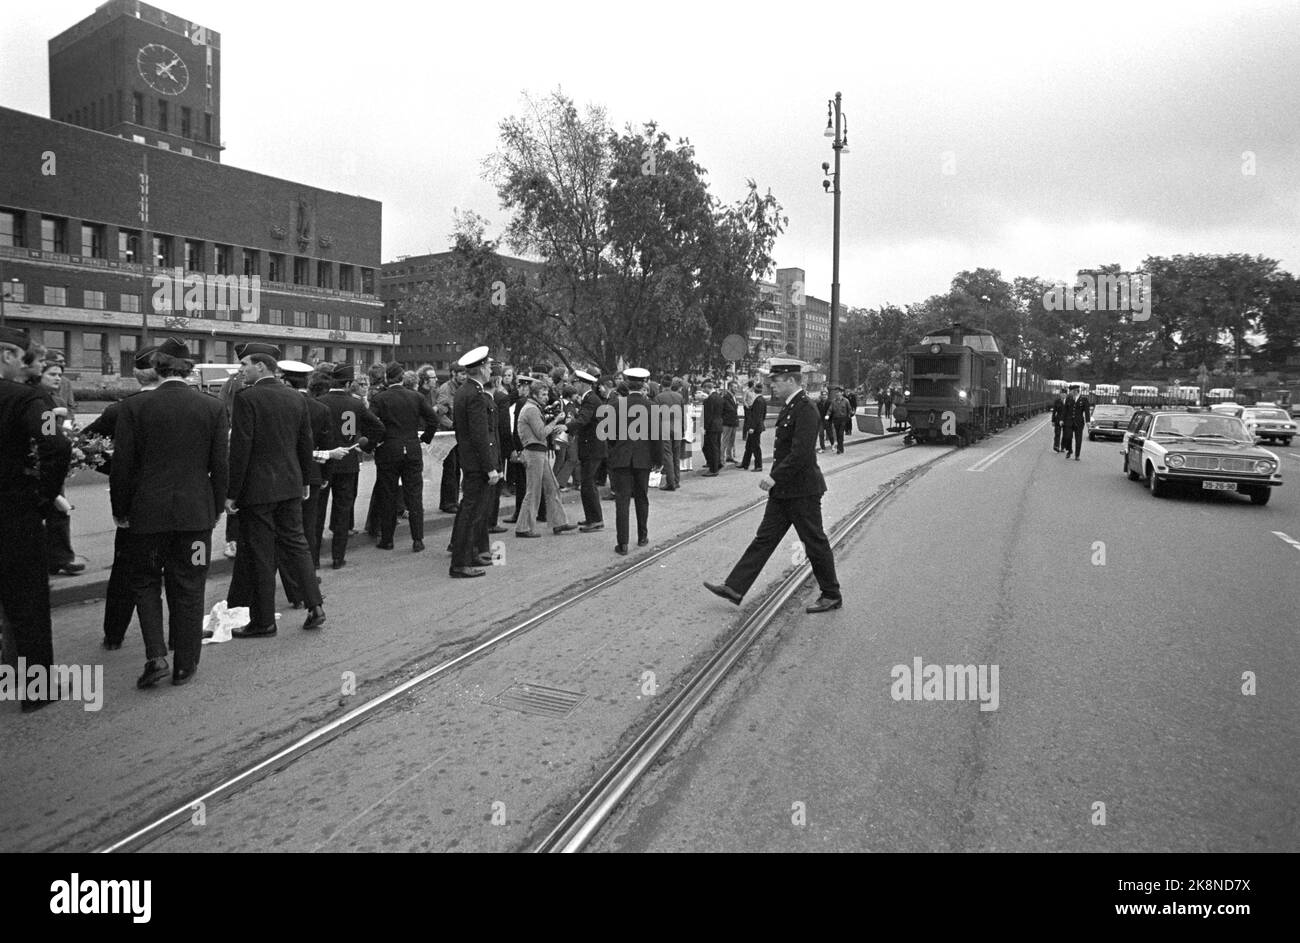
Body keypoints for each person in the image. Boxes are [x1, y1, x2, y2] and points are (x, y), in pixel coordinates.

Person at [110, 338, 228, 688]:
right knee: (190, 583)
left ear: (156, 369)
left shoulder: (134, 407)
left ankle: (156, 656)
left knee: (146, 581)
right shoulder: (212, 408)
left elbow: (122, 466)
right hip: (196, 516)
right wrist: (216, 508)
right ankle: (185, 663)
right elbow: (220, 466)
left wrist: (121, 510)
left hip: (146, 515)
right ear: (189, 370)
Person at [703, 359, 842, 614]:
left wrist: (774, 477)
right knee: (764, 539)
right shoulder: (791, 408)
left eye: (776, 382)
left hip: (803, 490)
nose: (772, 386)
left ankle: (831, 594)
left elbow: (801, 454)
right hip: (785, 492)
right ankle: (734, 587)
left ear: (791, 380)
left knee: (814, 542)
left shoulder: (806, 409)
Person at [224, 344, 325, 637]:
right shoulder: (295, 397)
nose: (241, 370)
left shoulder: (247, 398)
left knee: (261, 553)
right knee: (297, 544)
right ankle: (315, 605)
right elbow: (304, 443)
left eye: (245, 364)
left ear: (262, 367)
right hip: (291, 484)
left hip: (259, 489)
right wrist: (305, 480)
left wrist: (232, 492)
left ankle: (264, 620)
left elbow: (241, 449)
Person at [0, 327, 72, 711]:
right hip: (13, 511)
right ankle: (35, 690)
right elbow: (55, 444)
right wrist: (45, 495)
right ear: (9, 355)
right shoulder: (28, 399)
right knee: (26, 602)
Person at [83, 345, 160, 648]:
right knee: (183, 577)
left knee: (127, 572)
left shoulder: (121, 409)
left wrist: (113, 470)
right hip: (184, 507)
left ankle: (114, 634)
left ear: (137, 374)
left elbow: (84, 446)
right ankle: (181, 638)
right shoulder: (199, 404)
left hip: (136, 505)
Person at [277, 360, 340, 607]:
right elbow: (327, 445)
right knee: (309, 529)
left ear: (285, 379)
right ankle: (309, 574)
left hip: (283, 477)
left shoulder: (282, 404)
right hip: (312, 475)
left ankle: (295, 584)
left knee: (285, 534)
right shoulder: (320, 409)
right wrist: (326, 476)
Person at [315, 363, 384, 569]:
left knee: (318, 512)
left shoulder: (319, 402)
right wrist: (367, 446)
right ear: (348, 383)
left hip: (324, 460)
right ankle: (338, 556)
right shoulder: (356, 405)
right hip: (348, 462)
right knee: (343, 509)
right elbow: (378, 427)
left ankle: (314, 558)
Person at [370, 360, 438, 552]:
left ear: (386, 378)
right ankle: (418, 539)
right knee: (414, 495)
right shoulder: (416, 397)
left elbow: (370, 421)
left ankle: (388, 539)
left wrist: (376, 442)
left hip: (389, 450)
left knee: (388, 495)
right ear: (402, 378)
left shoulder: (380, 398)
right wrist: (425, 437)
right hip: (412, 448)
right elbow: (433, 419)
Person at [449, 346, 502, 578]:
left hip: (469, 461)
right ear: (481, 369)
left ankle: (468, 555)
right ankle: (460, 563)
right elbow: (480, 436)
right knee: (471, 513)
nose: (491, 369)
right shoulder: (475, 395)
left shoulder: (464, 391)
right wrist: (490, 467)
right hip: (477, 464)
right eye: (489, 366)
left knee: (470, 511)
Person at [33, 358, 84, 575]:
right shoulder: (34, 398)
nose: (57, 378)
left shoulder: (56, 399)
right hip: (36, 463)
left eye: (59, 374)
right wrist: (54, 416)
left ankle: (61, 558)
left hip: (53, 463)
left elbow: (62, 429)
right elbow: (43, 433)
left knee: (59, 511)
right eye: (52, 374)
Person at [514, 382, 577, 538]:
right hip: (534, 452)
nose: (546, 397)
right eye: (543, 394)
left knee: (552, 486)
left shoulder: (533, 408)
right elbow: (541, 433)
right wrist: (556, 421)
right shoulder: (531, 410)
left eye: (546, 394)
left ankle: (559, 522)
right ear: (534, 395)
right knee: (533, 491)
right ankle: (523, 527)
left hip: (538, 452)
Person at [608, 367, 654, 554]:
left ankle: (623, 543)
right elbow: (657, 437)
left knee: (622, 500)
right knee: (642, 498)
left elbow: (610, 435)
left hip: (622, 459)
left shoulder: (616, 405)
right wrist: (657, 459)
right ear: (643, 384)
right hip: (643, 459)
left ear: (626, 384)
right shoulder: (651, 406)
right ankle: (642, 536)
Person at [566, 369, 607, 531]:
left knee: (588, 484)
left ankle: (596, 520)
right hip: (591, 448)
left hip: (593, 448)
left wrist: (566, 426)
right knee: (588, 484)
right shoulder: (589, 399)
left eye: (575, 383)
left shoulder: (590, 400)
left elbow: (583, 419)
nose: (574, 386)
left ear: (582, 384)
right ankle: (592, 517)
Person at [436, 366, 465, 512]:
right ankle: (448, 502)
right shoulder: (446, 389)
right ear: (453, 373)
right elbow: (440, 413)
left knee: (456, 468)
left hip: (458, 434)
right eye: (461, 373)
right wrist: (453, 425)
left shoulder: (461, 388)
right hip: (449, 434)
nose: (464, 376)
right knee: (450, 468)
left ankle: (453, 500)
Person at [654, 377, 684, 490]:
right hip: (677, 427)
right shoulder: (679, 396)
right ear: (671, 384)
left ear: (661, 385)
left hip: (665, 427)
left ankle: (670, 483)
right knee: (676, 455)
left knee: (668, 455)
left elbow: (656, 416)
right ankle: (676, 480)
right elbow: (682, 414)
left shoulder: (658, 397)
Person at [740, 384, 767, 471]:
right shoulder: (762, 400)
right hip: (757, 426)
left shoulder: (758, 401)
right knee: (749, 446)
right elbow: (763, 415)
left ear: (754, 391)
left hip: (755, 428)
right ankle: (745, 463)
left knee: (755, 447)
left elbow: (756, 416)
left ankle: (758, 466)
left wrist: (752, 427)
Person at [1060, 384, 1092, 460]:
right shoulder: (1069, 399)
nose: (1070, 392)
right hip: (1069, 422)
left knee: (1078, 439)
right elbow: (1065, 410)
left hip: (1079, 422)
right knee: (1067, 437)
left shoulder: (1084, 399)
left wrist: (1088, 421)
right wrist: (1062, 419)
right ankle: (1069, 450)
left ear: (1075, 391)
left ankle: (1077, 455)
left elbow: (1087, 411)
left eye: (1071, 391)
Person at [701, 379, 723, 475]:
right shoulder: (719, 397)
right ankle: (717, 463)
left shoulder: (710, 399)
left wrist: (705, 427)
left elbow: (708, 415)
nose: (703, 391)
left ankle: (713, 469)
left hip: (712, 426)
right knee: (716, 446)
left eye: (704, 389)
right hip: (718, 424)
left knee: (710, 447)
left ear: (707, 388)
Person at [721, 381, 740, 465]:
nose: (736, 389)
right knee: (725, 440)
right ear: (730, 387)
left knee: (731, 441)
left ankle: (729, 456)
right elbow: (727, 409)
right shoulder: (725, 397)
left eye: (736, 387)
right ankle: (721, 458)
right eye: (735, 387)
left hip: (733, 421)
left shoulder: (734, 396)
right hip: (727, 422)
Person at [828, 386, 851, 454]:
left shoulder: (846, 401)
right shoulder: (833, 402)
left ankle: (839, 449)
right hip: (836, 420)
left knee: (840, 434)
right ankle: (841, 448)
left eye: (838, 392)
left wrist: (848, 417)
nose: (837, 394)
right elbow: (830, 409)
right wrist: (827, 415)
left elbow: (849, 410)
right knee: (838, 434)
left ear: (842, 393)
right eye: (836, 392)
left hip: (843, 419)